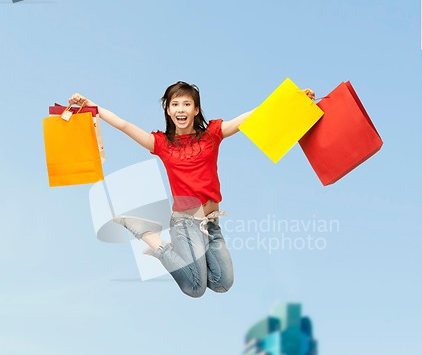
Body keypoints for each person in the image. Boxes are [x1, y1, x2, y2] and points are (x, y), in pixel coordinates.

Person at [69, 82, 315, 298]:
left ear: (196, 109)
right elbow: (123, 124)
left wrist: (292, 101)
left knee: (222, 284)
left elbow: (249, 118)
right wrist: (91, 105)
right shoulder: (162, 144)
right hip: (184, 224)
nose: (181, 110)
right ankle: (154, 241)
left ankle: (178, 257)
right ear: (168, 110)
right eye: (175, 104)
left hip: (211, 223)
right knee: (195, 288)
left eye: (187, 104)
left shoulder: (212, 135)